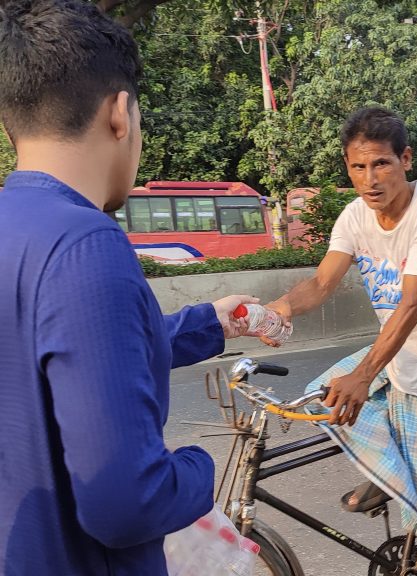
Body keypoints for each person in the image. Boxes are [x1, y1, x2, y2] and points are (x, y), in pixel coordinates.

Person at [0, 2, 259, 574]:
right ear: (120, 113)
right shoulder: (88, 244)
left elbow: (69, 354)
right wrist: (198, 468)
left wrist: (206, 325)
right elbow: (126, 503)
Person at [263, 107, 417, 576]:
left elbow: (412, 303)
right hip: (397, 353)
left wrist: (364, 375)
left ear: (405, 159)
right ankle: (390, 476)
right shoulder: (354, 216)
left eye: (381, 163)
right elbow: (322, 283)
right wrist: (278, 309)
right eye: (358, 167)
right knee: (324, 397)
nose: (370, 179)